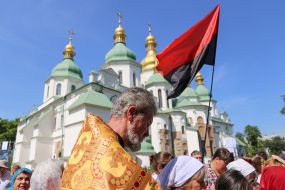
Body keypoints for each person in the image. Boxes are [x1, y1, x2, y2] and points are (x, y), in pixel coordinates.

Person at [61, 87, 160, 189]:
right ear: (131, 113)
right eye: (147, 124)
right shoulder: (110, 153)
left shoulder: (91, 142)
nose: (147, 133)